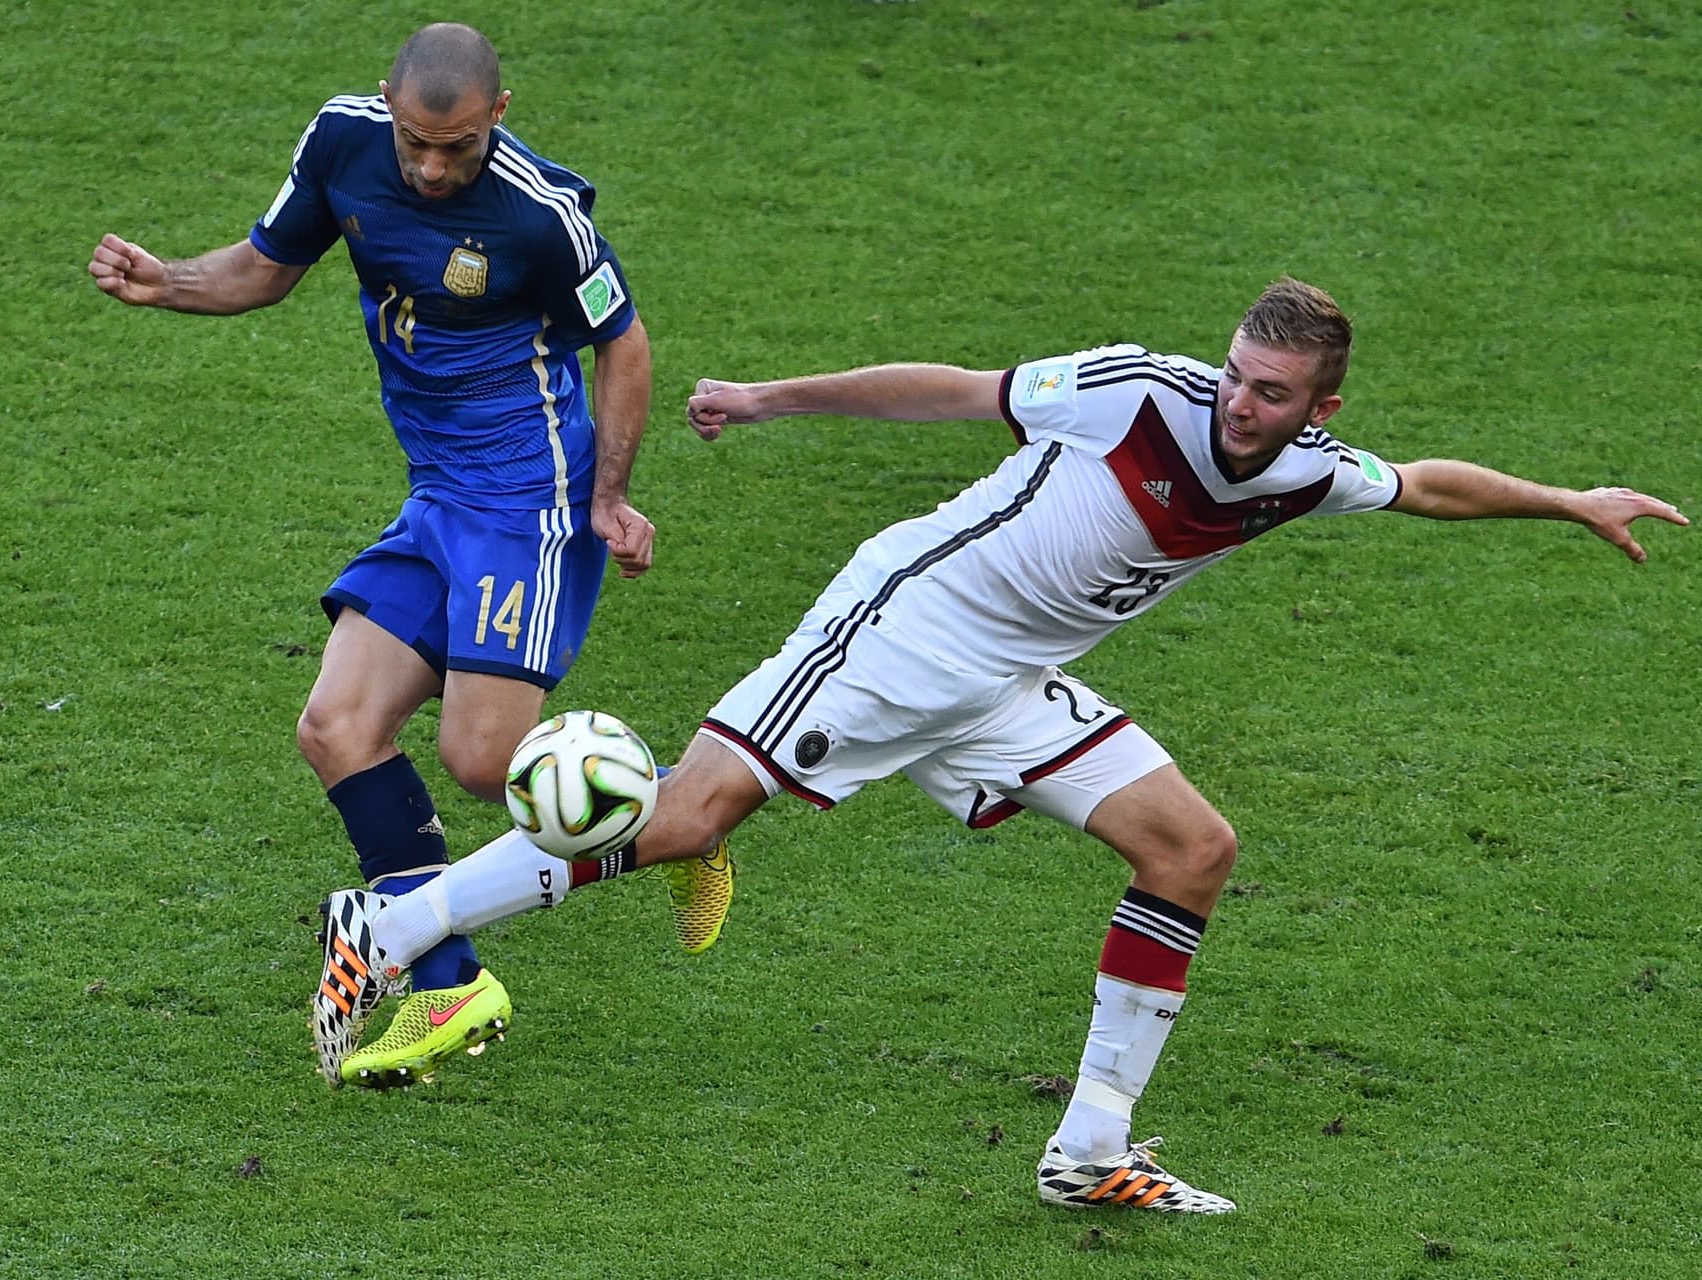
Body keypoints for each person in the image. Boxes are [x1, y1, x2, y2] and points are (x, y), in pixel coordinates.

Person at [308, 277, 1686, 1205]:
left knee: (1192, 849)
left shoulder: (1315, 470)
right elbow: (955, 390)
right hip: (903, 625)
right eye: (1236, 377)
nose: (1238, 406)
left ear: (1319, 408)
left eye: (1271, 396)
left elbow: (1429, 485)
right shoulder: (1139, 391)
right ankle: (394, 922)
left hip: (1012, 677)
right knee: (682, 820)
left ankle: (1090, 1151)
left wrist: (1568, 499)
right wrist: (771, 397)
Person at [86, 22, 732, 1087]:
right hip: (439, 492)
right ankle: (449, 981)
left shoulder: (540, 216)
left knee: (489, 767)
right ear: (387, 103)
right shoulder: (342, 141)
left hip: (531, 497)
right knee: (336, 724)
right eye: (417, 144)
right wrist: (173, 282)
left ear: (500, 115)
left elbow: (625, 341)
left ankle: (683, 816)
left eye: (460, 148)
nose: (434, 169)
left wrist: (611, 497)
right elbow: (262, 266)